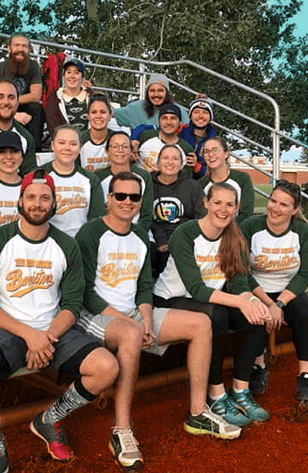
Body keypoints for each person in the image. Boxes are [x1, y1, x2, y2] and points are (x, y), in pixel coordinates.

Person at [75, 172, 241, 469]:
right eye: (121, 196)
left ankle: (197, 412)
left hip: (134, 314)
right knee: (131, 335)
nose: (127, 202)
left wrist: (146, 320)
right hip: (96, 315)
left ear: (141, 201)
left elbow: (143, 286)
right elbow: (86, 293)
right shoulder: (90, 233)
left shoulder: (140, 234)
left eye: (134, 197)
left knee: (201, 323)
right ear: (109, 199)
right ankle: (122, 430)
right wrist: (134, 325)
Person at [0, 169, 119, 472]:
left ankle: (50, 419)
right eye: (31, 197)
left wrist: (45, 336)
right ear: (20, 201)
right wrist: (30, 336)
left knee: (107, 367)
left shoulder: (66, 245)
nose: (37, 203)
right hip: (6, 329)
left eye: (45, 198)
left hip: (53, 329)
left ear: (54, 203)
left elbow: (72, 304)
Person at [153, 182, 272, 427]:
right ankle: (216, 394)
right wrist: (243, 302)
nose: (223, 209)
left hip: (210, 300)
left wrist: (253, 302)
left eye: (229, 204)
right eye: (217, 202)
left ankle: (240, 390)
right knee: (217, 316)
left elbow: (239, 284)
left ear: (237, 208)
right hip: (171, 299)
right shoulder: (185, 234)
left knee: (254, 316)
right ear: (206, 203)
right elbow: (196, 288)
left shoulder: (234, 237)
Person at [240, 180, 308, 405]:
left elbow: (304, 275)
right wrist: (268, 304)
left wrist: (280, 303)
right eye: (273, 201)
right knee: (255, 314)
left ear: (294, 210)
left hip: (288, 292)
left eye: (283, 204)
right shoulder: (250, 226)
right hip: (256, 290)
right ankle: (258, 366)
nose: (275, 208)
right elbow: (243, 272)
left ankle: (305, 377)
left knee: (305, 312)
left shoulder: (303, 232)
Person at [0, 33, 44, 148]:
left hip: (22, 107)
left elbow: (36, 95)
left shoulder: (34, 67)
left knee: (36, 109)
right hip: (0, 108)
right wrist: (12, 114)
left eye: (24, 46)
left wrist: (13, 103)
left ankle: (34, 150)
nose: (21, 49)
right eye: (17, 45)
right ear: (9, 48)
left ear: (29, 50)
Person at [40, 125, 105, 237]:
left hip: (81, 241)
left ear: (80, 148)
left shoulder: (91, 179)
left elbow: (95, 220)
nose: (67, 148)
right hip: (48, 240)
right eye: (61, 143)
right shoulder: (38, 177)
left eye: (73, 144)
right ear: (52, 145)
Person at [151, 144, 205, 276]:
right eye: (165, 158)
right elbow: (144, 216)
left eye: (175, 158)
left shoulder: (193, 187)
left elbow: (201, 217)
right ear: (158, 162)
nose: (170, 162)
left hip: (183, 238)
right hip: (155, 237)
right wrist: (161, 238)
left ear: (182, 164)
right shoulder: (147, 184)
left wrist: (180, 239)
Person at [95, 131, 153, 232]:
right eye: (115, 146)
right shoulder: (97, 178)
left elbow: (146, 215)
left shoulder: (144, 176)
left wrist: (134, 234)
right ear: (107, 151)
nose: (120, 150)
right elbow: (96, 214)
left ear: (131, 151)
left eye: (125, 146)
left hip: (137, 232)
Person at [199, 137, 254, 223]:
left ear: (226, 154)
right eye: (206, 151)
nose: (210, 154)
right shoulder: (201, 184)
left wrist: (225, 226)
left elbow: (246, 214)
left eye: (215, 150)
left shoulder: (242, 179)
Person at [114, 73, 189, 129]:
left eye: (160, 90)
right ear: (147, 93)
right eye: (152, 91)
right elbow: (112, 112)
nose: (156, 94)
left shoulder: (179, 111)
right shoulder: (135, 108)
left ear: (167, 93)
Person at [136, 103, 195, 174]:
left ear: (180, 122)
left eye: (173, 118)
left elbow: (186, 176)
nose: (169, 122)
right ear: (159, 121)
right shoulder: (146, 136)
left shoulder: (186, 148)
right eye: (164, 118)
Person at [44, 57, 92, 138]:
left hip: (89, 142)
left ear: (82, 78)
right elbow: (53, 127)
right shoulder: (54, 98)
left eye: (76, 73)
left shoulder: (91, 96)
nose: (72, 76)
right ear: (63, 75)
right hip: (65, 142)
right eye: (69, 72)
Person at [179, 95, 218, 179]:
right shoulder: (180, 132)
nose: (200, 116)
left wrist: (197, 167)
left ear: (210, 117)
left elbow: (216, 171)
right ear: (190, 116)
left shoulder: (216, 142)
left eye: (205, 112)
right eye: (196, 112)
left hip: (201, 184)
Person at [79, 94, 115, 172]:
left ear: (110, 115)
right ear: (88, 116)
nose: (98, 116)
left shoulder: (118, 139)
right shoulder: (78, 140)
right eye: (94, 112)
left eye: (103, 112)